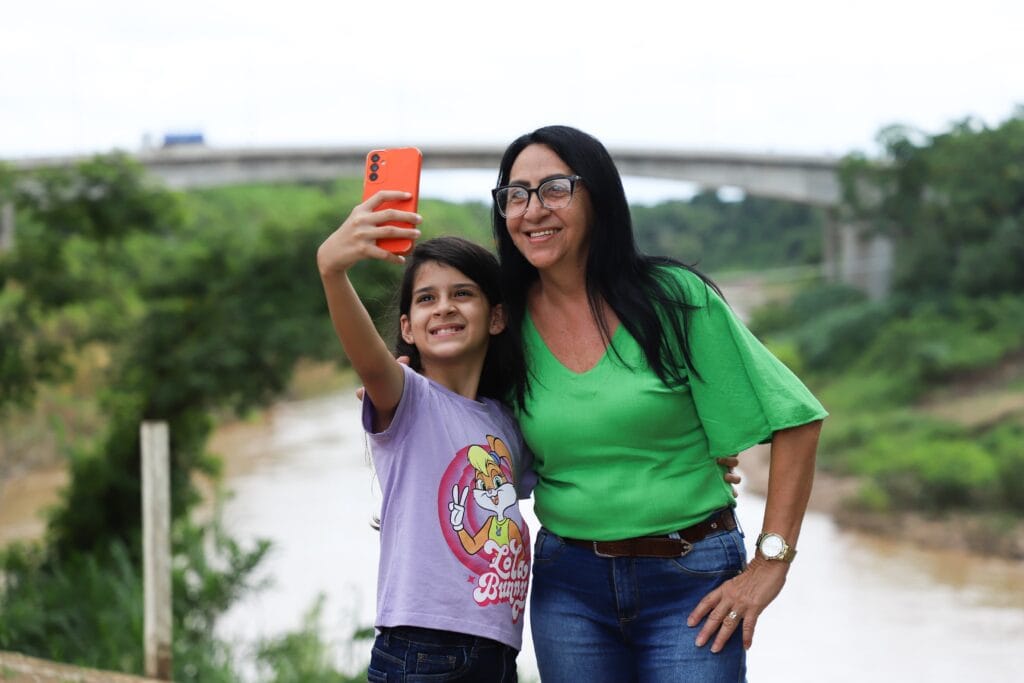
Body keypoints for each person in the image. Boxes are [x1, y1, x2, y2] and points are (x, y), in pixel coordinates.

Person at [489, 125, 827, 683]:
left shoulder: (672, 299)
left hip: (691, 580)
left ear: (598, 197)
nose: (532, 210)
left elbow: (796, 420)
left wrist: (771, 562)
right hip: (568, 585)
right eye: (516, 194)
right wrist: (399, 382)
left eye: (554, 188)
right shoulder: (503, 319)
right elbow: (443, 394)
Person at [317, 195, 535, 683]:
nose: (444, 308)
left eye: (462, 294)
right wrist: (332, 270)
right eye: (426, 299)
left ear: (496, 318)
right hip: (423, 649)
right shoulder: (408, 398)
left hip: (497, 652)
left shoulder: (507, 422)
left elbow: (581, 462)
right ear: (407, 328)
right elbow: (370, 361)